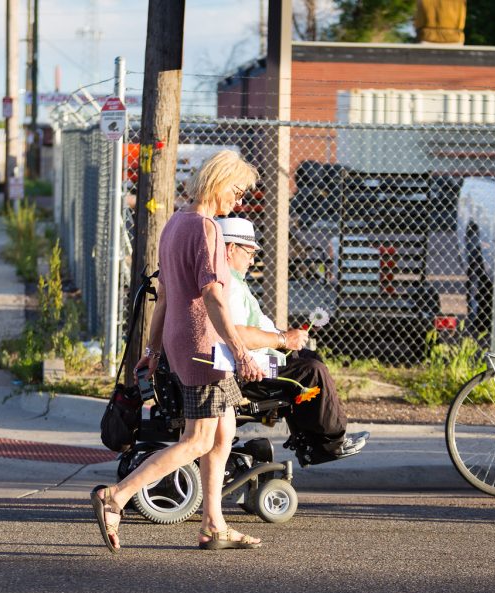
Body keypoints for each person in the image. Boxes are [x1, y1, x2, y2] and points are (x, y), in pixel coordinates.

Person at [91, 150, 265, 553]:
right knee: (199, 439)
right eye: (236, 191)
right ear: (219, 180)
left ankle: (213, 525)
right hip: (205, 346)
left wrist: (152, 348)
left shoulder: (174, 223)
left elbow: (165, 296)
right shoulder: (206, 229)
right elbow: (214, 297)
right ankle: (116, 496)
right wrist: (240, 351)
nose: (237, 202)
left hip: (180, 340)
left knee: (223, 434)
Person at [218, 217, 369, 466]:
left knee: (309, 359)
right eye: (249, 252)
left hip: (255, 357)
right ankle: (329, 444)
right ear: (230, 249)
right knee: (312, 372)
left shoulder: (233, 281)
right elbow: (238, 333)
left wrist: (285, 338)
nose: (253, 260)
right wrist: (282, 339)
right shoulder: (230, 285)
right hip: (247, 368)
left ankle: (308, 440)